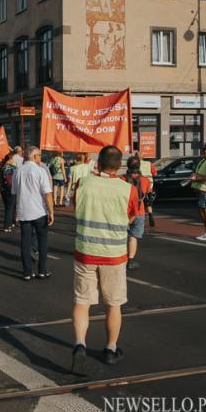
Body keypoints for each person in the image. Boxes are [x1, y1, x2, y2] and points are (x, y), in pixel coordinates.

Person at [71, 145, 141, 375]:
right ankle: (111, 349)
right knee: (113, 303)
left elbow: (75, 208)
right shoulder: (127, 189)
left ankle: (80, 344)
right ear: (119, 165)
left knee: (82, 301)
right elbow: (132, 217)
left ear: (98, 163)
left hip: (85, 252)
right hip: (113, 255)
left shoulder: (84, 184)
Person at [12, 146, 54, 281]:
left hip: (24, 211)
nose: (40, 158)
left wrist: (16, 211)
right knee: (42, 242)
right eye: (40, 155)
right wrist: (51, 212)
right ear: (34, 156)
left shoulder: (18, 171)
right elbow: (47, 194)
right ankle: (42, 270)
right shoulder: (40, 171)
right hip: (39, 211)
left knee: (25, 242)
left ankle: (27, 272)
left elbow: (14, 193)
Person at [122, 157, 152, 270]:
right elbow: (148, 194)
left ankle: (120, 257)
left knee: (122, 234)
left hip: (125, 211)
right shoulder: (145, 180)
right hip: (139, 211)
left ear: (127, 166)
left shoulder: (122, 179)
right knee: (133, 237)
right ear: (139, 166)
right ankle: (130, 260)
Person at [0, 153, 17, 232]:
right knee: (10, 207)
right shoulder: (13, 168)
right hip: (11, 188)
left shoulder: (1, 168)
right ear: (9, 160)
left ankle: (11, 222)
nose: (13, 161)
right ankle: (7, 225)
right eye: (12, 159)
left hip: (3, 188)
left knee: (8, 207)